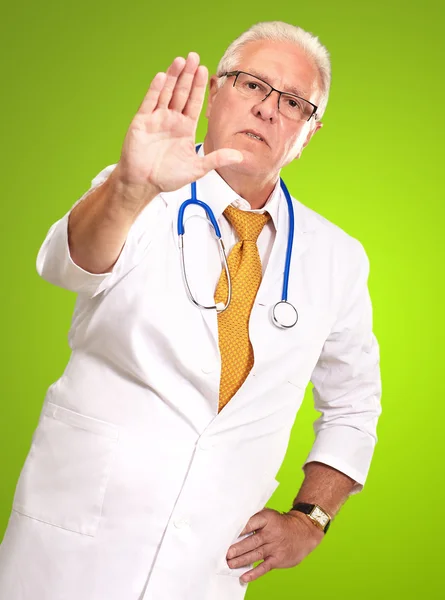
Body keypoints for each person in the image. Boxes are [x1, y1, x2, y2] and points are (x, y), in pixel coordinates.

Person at [0, 20, 382, 600]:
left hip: (206, 563)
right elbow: (67, 265)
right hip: (73, 546)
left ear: (309, 132)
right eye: (253, 85)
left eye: (294, 102)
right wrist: (130, 188)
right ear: (216, 93)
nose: (268, 109)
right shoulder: (136, 191)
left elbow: (354, 404)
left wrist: (312, 517)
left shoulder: (338, 258)